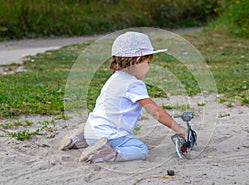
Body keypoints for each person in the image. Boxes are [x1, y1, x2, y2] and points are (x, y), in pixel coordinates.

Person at [59, 31, 187, 162]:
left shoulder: (114, 78)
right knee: (141, 149)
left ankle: (76, 140)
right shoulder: (134, 84)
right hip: (109, 135)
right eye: (148, 62)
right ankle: (104, 153)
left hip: (91, 127)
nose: (148, 67)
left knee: (98, 132)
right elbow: (155, 111)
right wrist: (179, 129)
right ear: (138, 61)